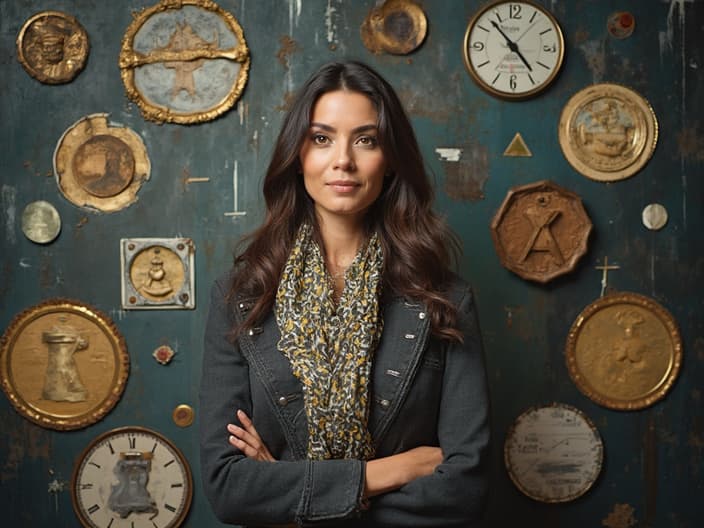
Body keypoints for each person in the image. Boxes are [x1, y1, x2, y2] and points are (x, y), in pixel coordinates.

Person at [199, 60, 490, 527]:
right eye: (321, 138)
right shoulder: (240, 298)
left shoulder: (444, 300)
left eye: (366, 139)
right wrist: (388, 472)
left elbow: (463, 488)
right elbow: (229, 489)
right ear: (298, 155)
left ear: (390, 158)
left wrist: (290, 487)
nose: (343, 160)